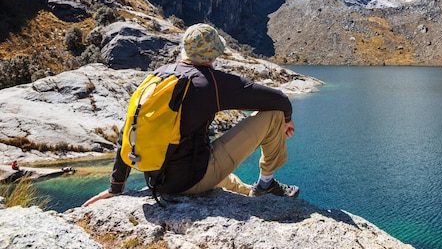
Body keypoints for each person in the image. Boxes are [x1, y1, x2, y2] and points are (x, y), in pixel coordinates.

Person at [83, 23, 298, 207]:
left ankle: (250, 194)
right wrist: (285, 120)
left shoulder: (158, 76)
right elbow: (279, 100)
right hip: (192, 180)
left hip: (158, 179)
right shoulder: (210, 82)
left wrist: (116, 186)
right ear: (214, 53)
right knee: (274, 115)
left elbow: (129, 130)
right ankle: (266, 185)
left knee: (231, 183)